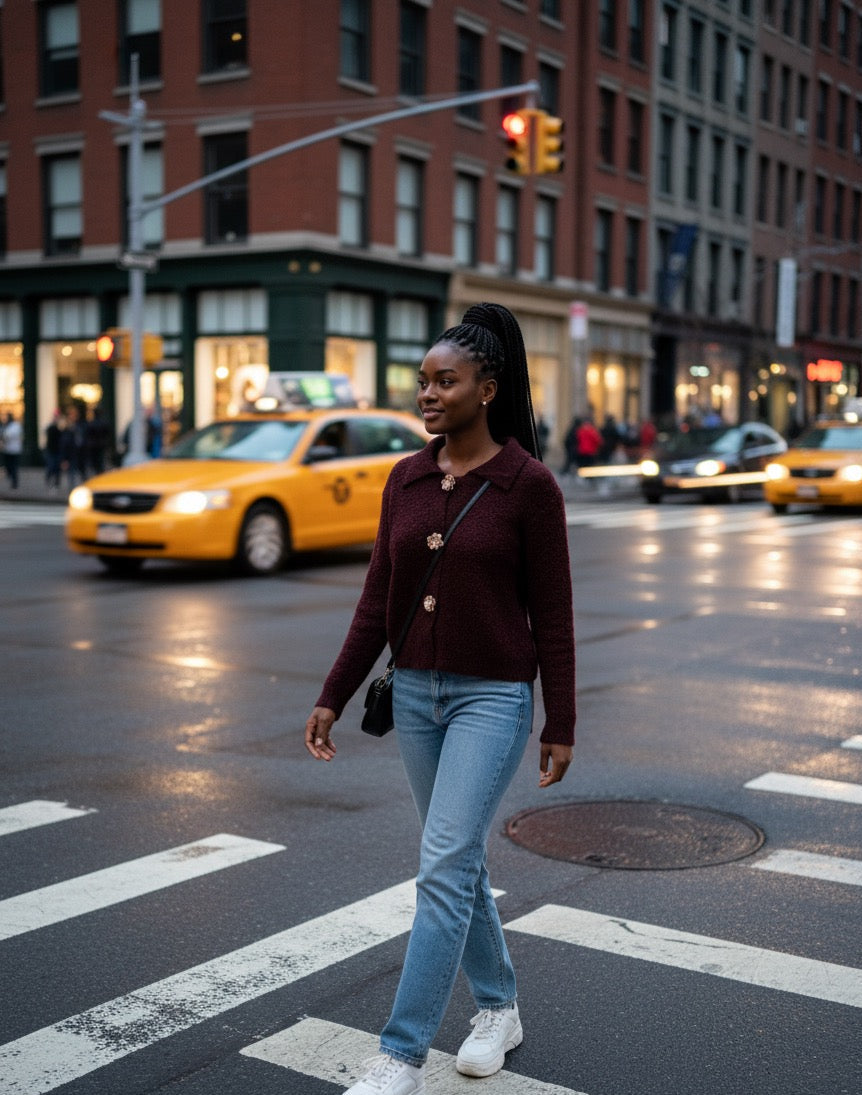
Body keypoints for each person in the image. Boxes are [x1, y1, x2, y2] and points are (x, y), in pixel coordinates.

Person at [304, 303, 576, 1095]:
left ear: (487, 388)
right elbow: (376, 598)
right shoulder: (406, 477)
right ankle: (499, 1006)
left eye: (444, 380)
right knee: (455, 862)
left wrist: (561, 719)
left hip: (492, 699)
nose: (427, 392)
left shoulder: (529, 487)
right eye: (422, 380)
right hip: (416, 696)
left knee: (444, 862)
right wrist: (333, 692)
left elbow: (552, 615)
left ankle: (398, 1054)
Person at [2, 411, 22, 490]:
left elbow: (8, 436)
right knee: (9, 467)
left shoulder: (15, 426)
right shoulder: (6, 426)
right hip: (7, 450)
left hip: (14, 450)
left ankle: (14, 483)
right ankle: (12, 480)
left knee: (13, 467)